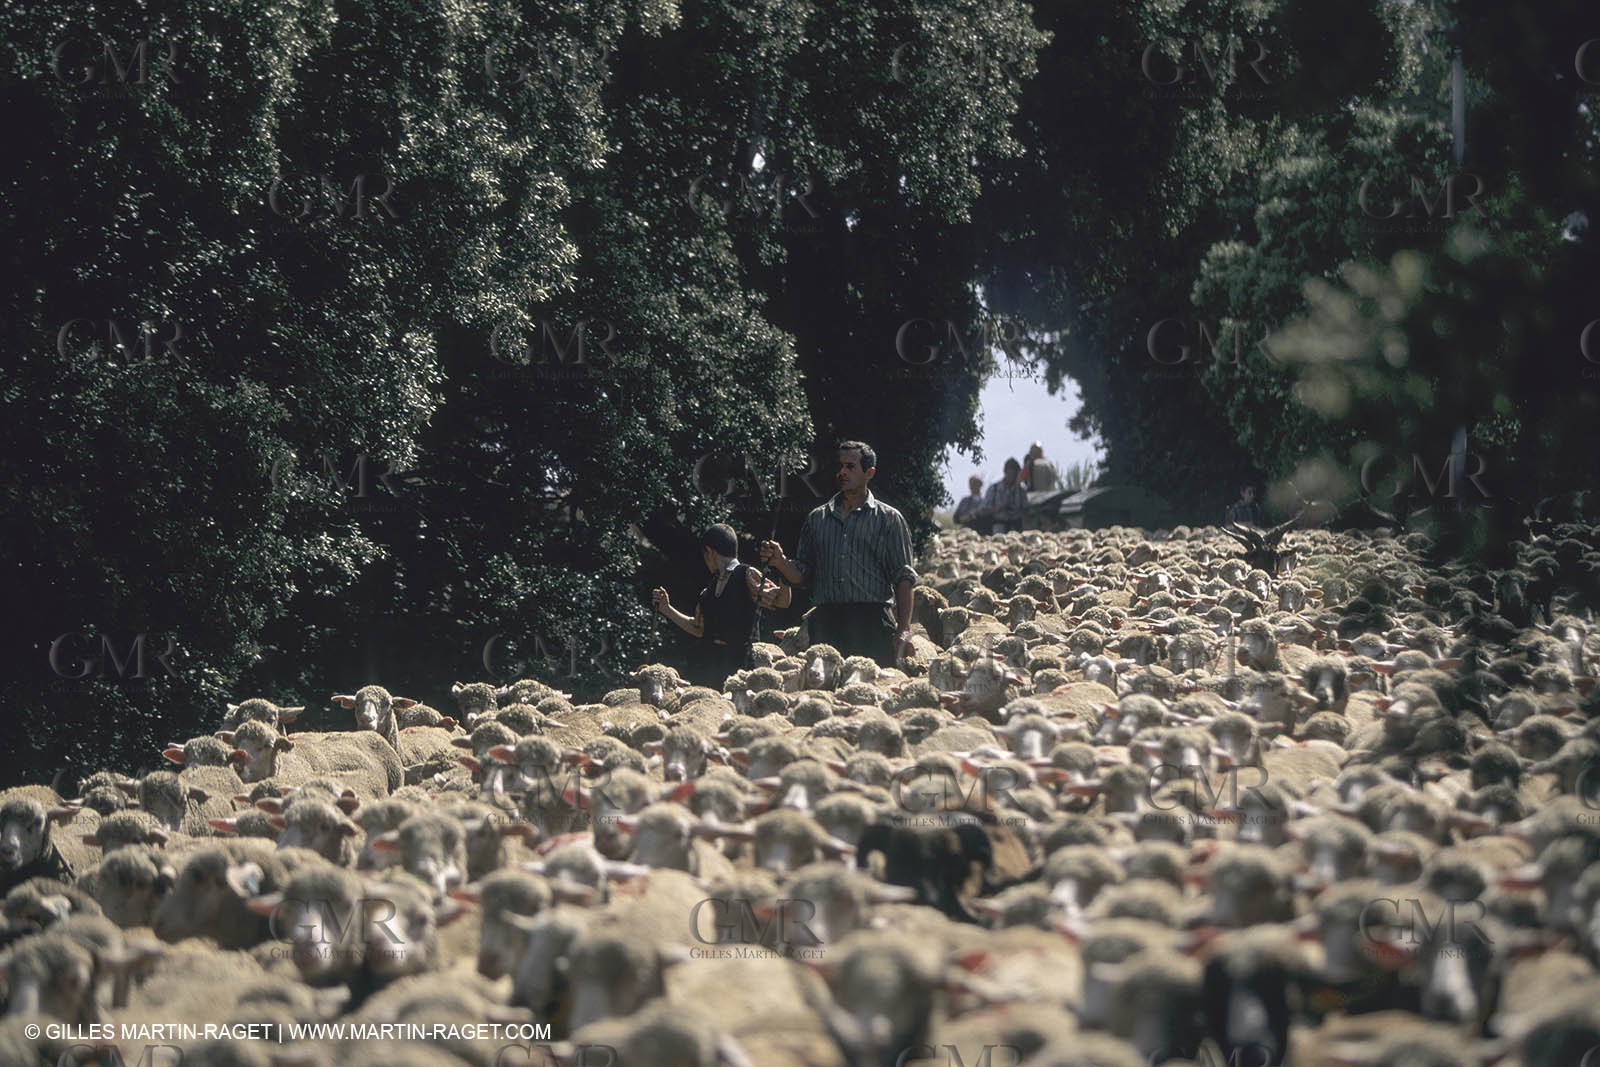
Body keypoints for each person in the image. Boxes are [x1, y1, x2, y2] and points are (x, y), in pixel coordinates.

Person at [759, 440, 917, 667]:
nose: (842, 472)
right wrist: (781, 562)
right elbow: (803, 575)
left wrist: (903, 631)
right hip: (826, 625)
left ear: (869, 472)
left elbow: (904, 577)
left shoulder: (889, 519)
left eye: (850, 466)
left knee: (872, 695)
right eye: (840, 466)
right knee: (823, 697)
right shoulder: (817, 519)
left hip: (871, 624)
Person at [652, 523, 790, 688]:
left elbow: (782, 601)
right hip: (709, 665)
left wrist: (781, 565)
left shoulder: (746, 574)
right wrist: (666, 608)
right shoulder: (709, 589)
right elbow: (698, 628)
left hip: (740, 667)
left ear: (709, 551)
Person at [983, 458, 1029, 533]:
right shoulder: (994, 489)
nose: (1012, 475)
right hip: (998, 524)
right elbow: (984, 510)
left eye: (1015, 472)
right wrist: (998, 508)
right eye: (1010, 472)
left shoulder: (1021, 491)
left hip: (1016, 526)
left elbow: (1026, 510)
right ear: (1005, 471)